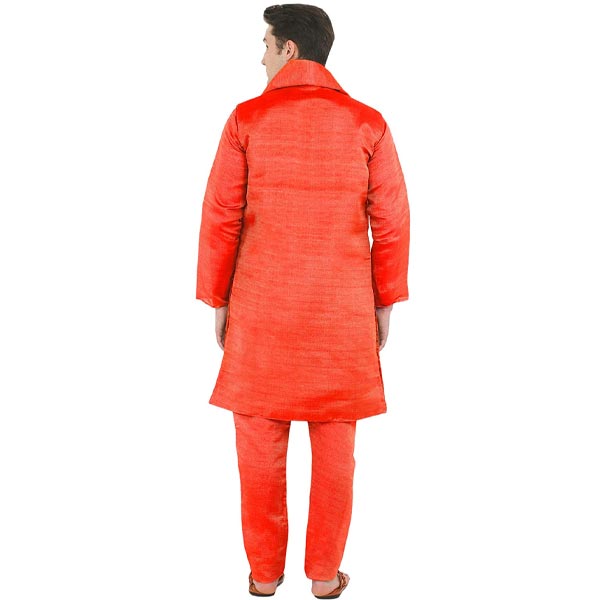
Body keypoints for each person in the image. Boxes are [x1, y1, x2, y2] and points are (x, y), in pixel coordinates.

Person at [196, 4, 410, 598]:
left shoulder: (247, 119)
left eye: (265, 44)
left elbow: (221, 215)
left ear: (289, 48)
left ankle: (265, 575)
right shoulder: (368, 123)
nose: (260, 57)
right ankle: (323, 575)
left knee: (257, 448)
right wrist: (384, 302)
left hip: (261, 312)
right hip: (341, 316)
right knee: (336, 451)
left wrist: (218, 298)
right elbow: (392, 221)